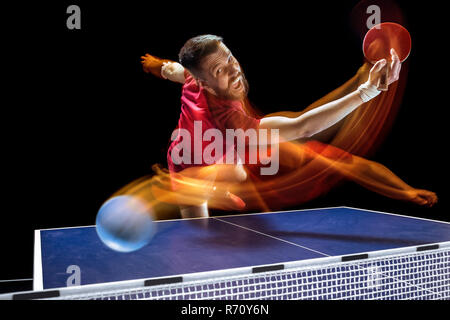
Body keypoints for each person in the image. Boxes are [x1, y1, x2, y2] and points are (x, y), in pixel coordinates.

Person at [141, 34, 437, 218]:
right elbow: (303, 126)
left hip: (222, 155)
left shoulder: (195, 80)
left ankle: (216, 186)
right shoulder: (236, 124)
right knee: (199, 229)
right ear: (205, 81)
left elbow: (175, 70)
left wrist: (157, 66)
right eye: (221, 69)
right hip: (186, 166)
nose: (234, 69)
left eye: (230, 58)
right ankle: (204, 189)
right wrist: (366, 92)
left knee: (236, 169)